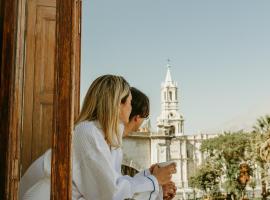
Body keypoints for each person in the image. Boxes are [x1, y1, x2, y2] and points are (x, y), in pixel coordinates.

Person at [21, 75, 175, 200]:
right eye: (129, 101)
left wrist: (151, 178)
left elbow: (114, 185)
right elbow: (109, 193)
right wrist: (154, 181)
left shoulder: (107, 140)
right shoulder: (87, 132)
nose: (131, 107)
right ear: (117, 104)